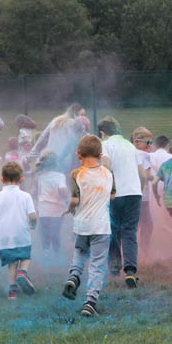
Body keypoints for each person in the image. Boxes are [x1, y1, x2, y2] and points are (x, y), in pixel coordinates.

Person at [62, 135, 116, 317]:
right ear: (100, 155)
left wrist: (69, 209)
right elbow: (112, 196)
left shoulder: (76, 174)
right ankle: (90, 302)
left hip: (81, 225)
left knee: (80, 252)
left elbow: (75, 200)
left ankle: (73, 277)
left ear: (79, 155)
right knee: (97, 264)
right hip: (101, 227)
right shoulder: (108, 174)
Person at [98, 116, 145, 288]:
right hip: (134, 194)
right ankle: (131, 271)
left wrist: (109, 187)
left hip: (115, 194)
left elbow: (106, 166)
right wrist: (141, 190)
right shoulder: (130, 145)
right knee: (130, 231)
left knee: (113, 230)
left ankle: (115, 267)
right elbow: (143, 175)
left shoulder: (106, 145)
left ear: (102, 133)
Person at [0, 162, 37, 299]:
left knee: (12, 264)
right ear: (21, 179)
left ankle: (12, 292)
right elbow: (33, 215)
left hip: (4, 239)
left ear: (2, 179)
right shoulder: (26, 196)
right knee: (25, 258)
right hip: (22, 235)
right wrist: (33, 223)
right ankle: (23, 273)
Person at [27, 103, 85, 174]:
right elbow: (72, 144)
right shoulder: (73, 124)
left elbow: (42, 138)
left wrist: (32, 155)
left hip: (48, 158)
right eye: (81, 115)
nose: (83, 117)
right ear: (75, 114)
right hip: (63, 161)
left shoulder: (56, 121)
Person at [31, 151, 68, 258]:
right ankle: (56, 253)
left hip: (43, 210)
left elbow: (33, 193)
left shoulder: (40, 177)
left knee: (45, 232)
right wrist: (66, 195)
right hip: (58, 210)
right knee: (56, 232)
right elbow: (63, 192)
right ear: (56, 163)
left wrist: (40, 196)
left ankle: (46, 252)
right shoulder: (60, 176)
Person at [132, 126, 155, 255]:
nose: (150, 145)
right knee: (148, 225)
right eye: (147, 142)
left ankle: (131, 251)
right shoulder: (145, 155)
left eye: (151, 142)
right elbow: (146, 175)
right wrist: (156, 178)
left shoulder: (130, 153)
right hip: (142, 197)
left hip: (129, 194)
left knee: (134, 225)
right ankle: (144, 251)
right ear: (137, 142)